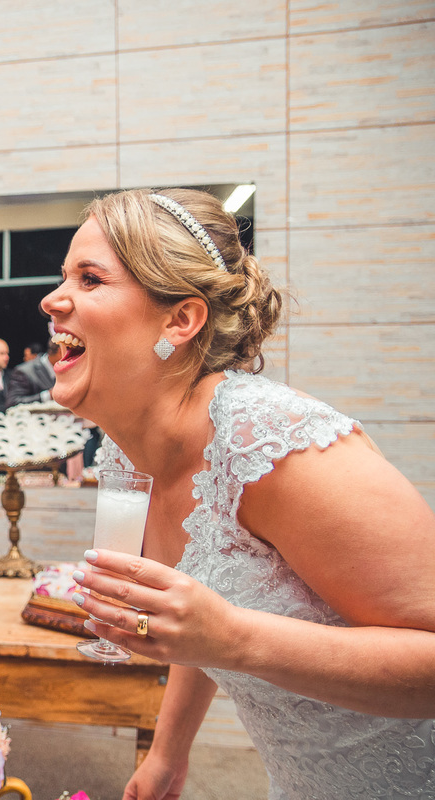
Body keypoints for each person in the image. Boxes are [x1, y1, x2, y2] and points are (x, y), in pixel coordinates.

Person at [39, 188, 435, 799]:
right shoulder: (126, 454)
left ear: (180, 321)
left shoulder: (273, 443)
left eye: (90, 279)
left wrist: (234, 639)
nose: (52, 299)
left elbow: (224, 624)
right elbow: (211, 592)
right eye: (64, 275)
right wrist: (168, 751)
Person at [5, 340, 57, 407]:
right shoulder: (23, 371)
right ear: (60, 351)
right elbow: (13, 401)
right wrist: (48, 395)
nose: (25, 359)